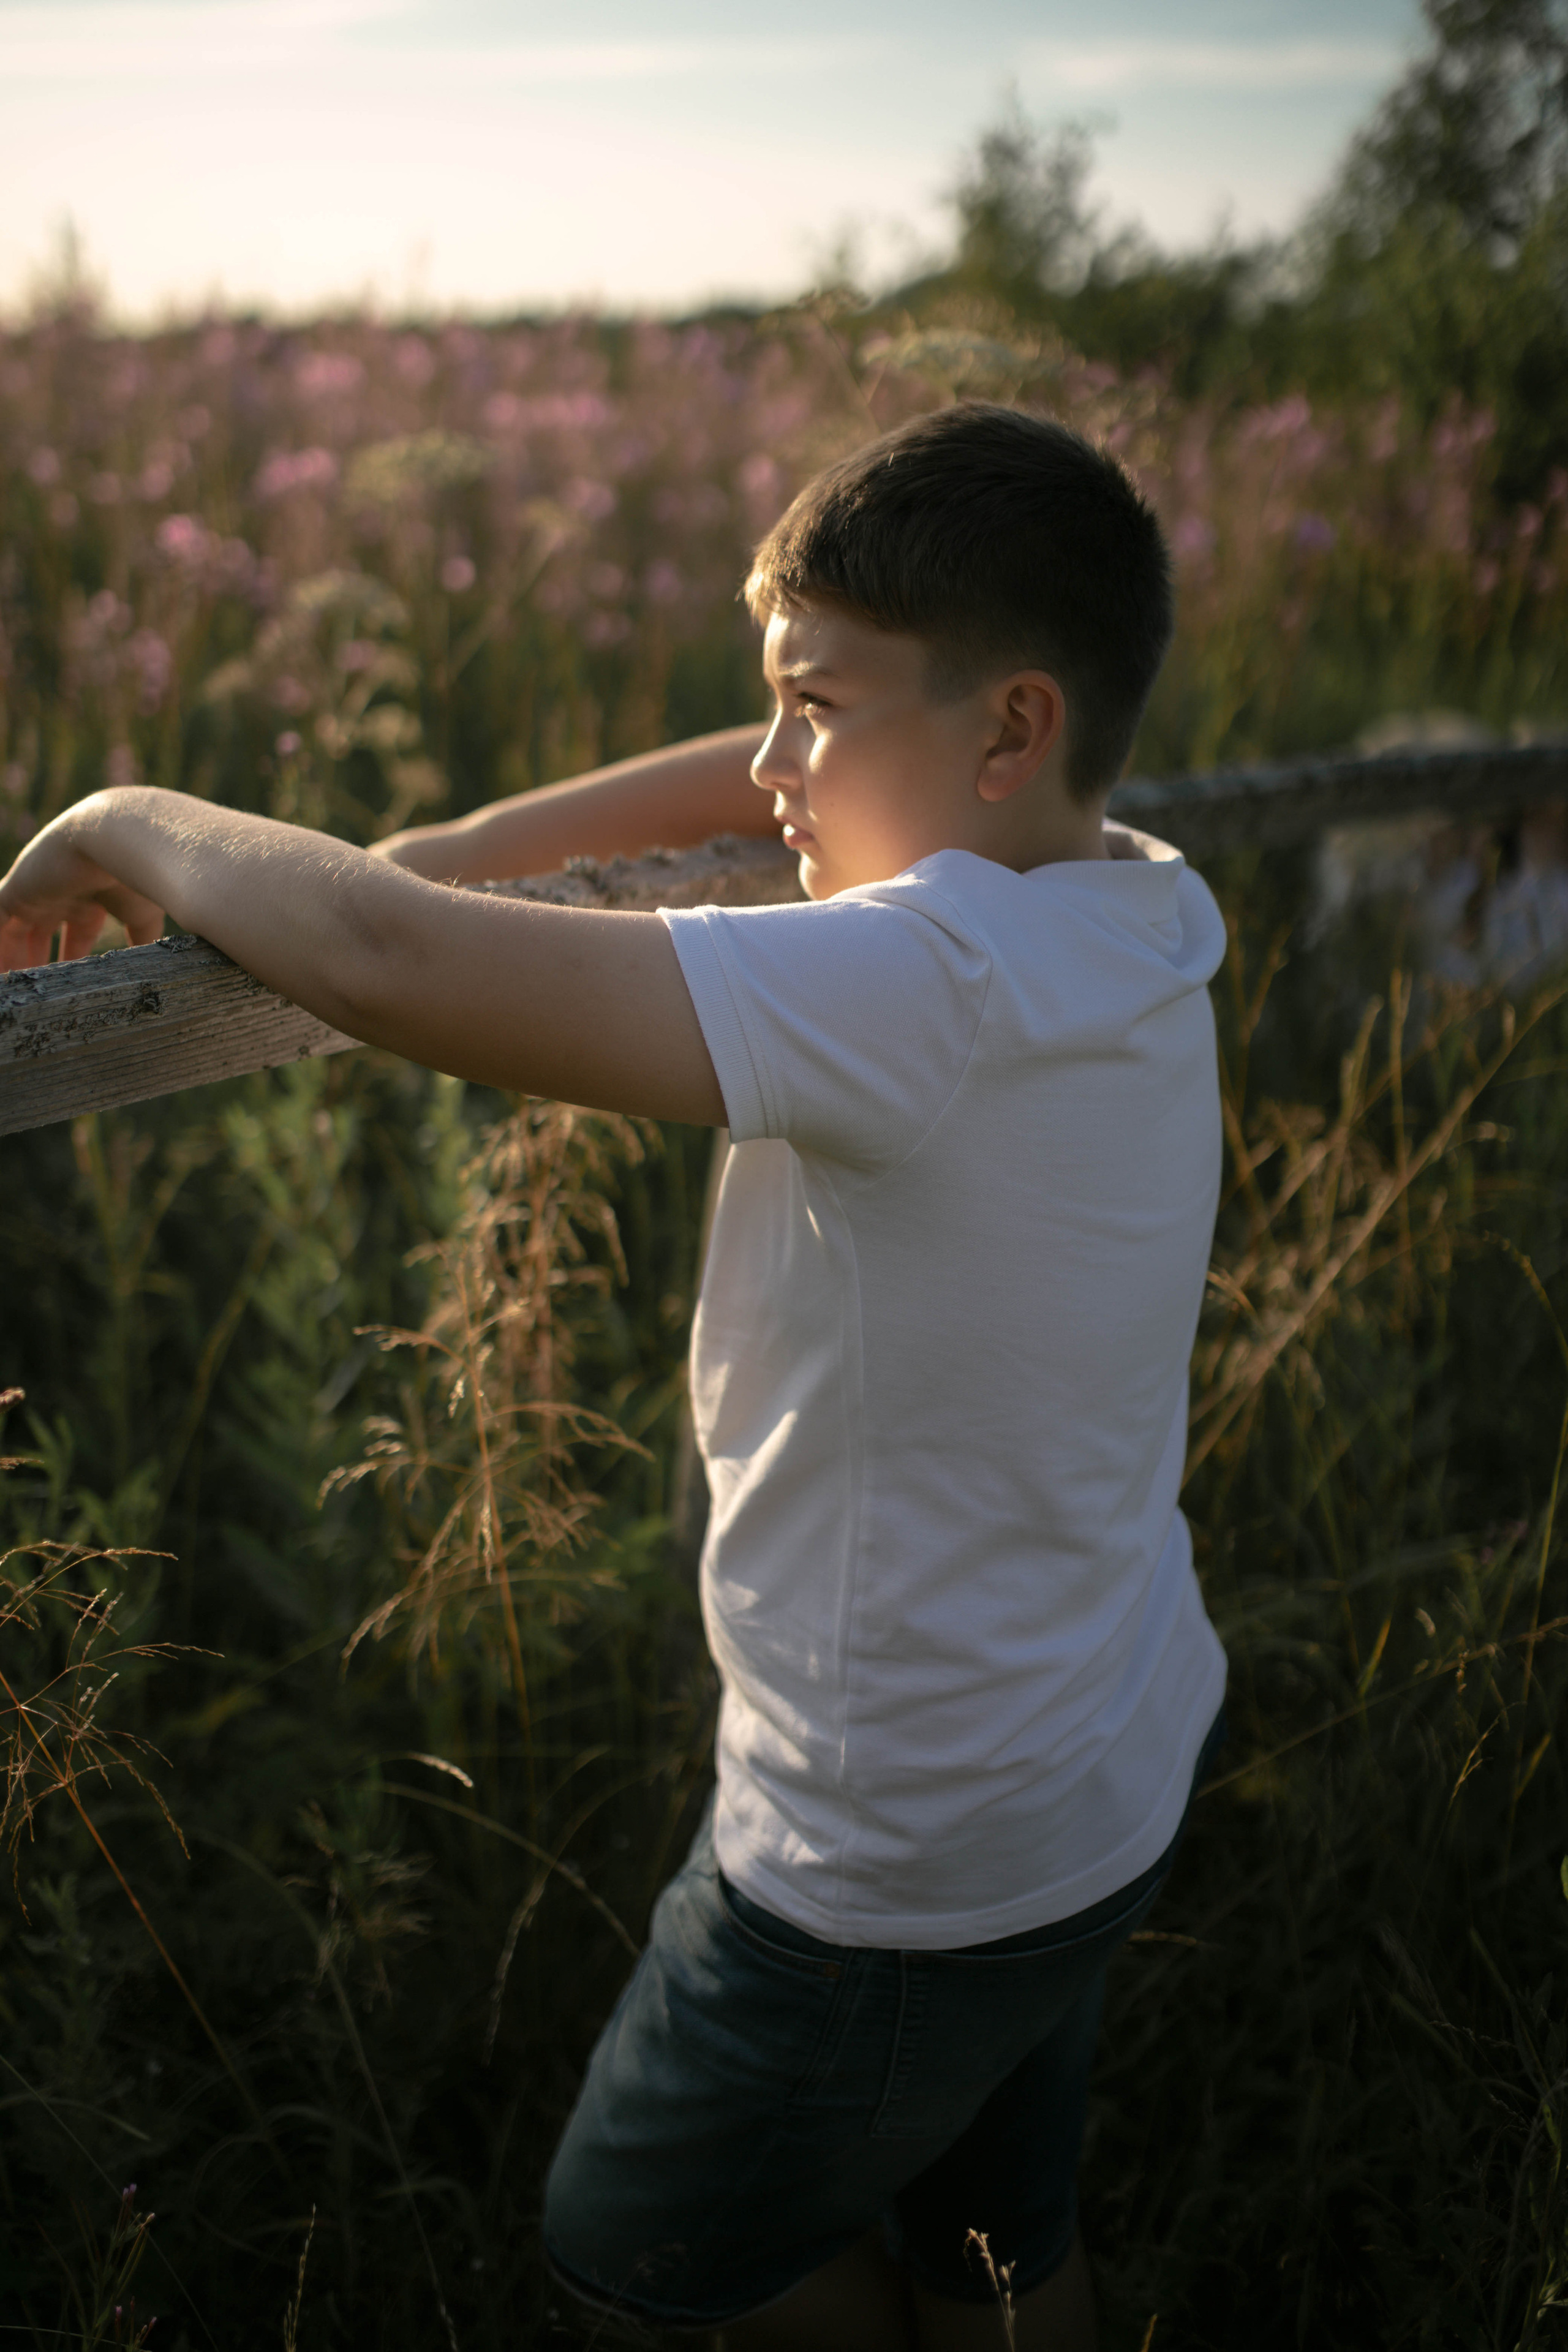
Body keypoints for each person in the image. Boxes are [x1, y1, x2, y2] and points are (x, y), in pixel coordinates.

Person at [0, 404, 1227, 2351]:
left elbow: (388, 961)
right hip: (1096, 1762)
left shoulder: (925, 985)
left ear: (1009, 730)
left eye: (812, 710)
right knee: (996, 2242)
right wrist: (488, 839)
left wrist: (129, 816)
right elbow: (757, 789)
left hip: (879, 1867)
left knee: (633, 2264)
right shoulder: (1132, 898)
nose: (766, 771)